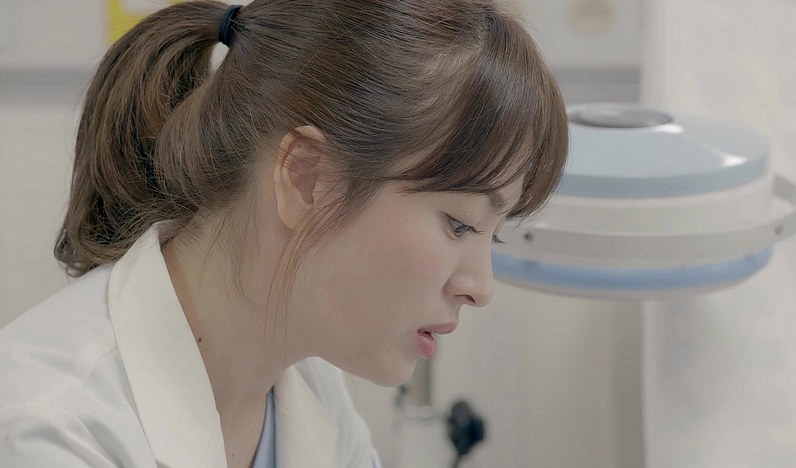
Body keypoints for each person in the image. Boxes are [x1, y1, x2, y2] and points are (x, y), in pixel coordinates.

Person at [0, 0, 567, 466]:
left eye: (491, 237)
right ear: (306, 178)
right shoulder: (48, 428)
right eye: (460, 223)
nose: (480, 287)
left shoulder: (309, 392)